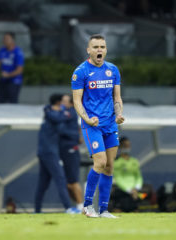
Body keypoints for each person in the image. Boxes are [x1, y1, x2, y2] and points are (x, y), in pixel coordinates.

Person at [71, 34, 125, 218]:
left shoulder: (113, 70)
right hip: (91, 125)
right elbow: (76, 101)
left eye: (102, 46)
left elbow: (117, 97)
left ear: (106, 49)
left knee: (109, 167)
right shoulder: (81, 72)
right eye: (95, 47)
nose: (99, 50)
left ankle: (104, 210)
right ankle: (87, 206)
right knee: (100, 162)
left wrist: (118, 115)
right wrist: (86, 119)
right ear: (88, 50)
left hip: (110, 124)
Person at [35, 94, 80, 214]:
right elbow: (61, 118)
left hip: (45, 152)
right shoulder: (54, 115)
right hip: (49, 152)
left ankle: (37, 210)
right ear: (58, 103)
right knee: (61, 179)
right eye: (62, 103)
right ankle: (69, 208)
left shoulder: (50, 113)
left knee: (43, 183)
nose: (64, 105)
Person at [59, 94, 84, 211]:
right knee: (67, 183)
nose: (62, 103)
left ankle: (82, 206)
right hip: (64, 151)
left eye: (64, 101)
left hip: (71, 151)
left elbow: (63, 129)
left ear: (70, 103)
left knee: (73, 181)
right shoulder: (66, 115)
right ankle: (77, 206)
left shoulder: (70, 113)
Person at [0, 32, 24, 103]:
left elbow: (19, 70)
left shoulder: (18, 52)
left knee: (12, 103)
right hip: (3, 80)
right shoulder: (2, 50)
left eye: (7, 39)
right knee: (0, 101)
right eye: (4, 39)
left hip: (14, 81)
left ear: (13, 40)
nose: (4, 41)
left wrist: (8, 75)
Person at [112, 136, 144, 212]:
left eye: (128, 145)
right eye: (125, 146)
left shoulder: (134, 161)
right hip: (123, 190)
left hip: (135, 191)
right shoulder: (117, 162)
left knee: (142, 196)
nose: (127, 147)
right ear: (120, 147)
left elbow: (138, 176)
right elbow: (118, 178)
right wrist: (129, 190)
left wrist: (136, 188)